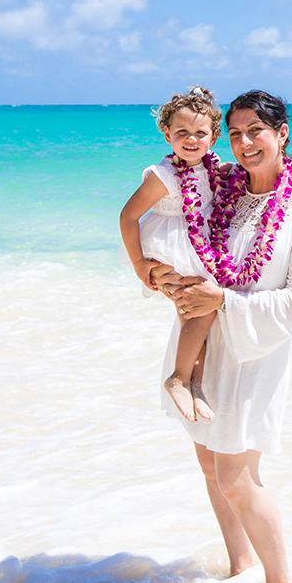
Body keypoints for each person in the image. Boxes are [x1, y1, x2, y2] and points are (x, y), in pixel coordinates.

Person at [150, 89, 292, 583]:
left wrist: (224, 299)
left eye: (256, 130)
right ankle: (239, 568)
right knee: (209, 464)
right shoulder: (223, 187)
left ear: (282, 133)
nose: (245, 143)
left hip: (257, 350)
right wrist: (156, 273)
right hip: (205, 341)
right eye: (235, 133)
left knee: (237, 475)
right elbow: (170, 230)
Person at [118, 86, 226, 423]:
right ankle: (178, 379)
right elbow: (127, 215)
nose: (191, 139)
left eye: (200, 132)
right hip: (169, 247)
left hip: (200, 245)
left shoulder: (213, 166)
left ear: (213, 137)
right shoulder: (163, 176)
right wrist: (139, 265)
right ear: (167, 135)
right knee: (196, 312)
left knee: (199, 317)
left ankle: (193, 383)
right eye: (182, 132)